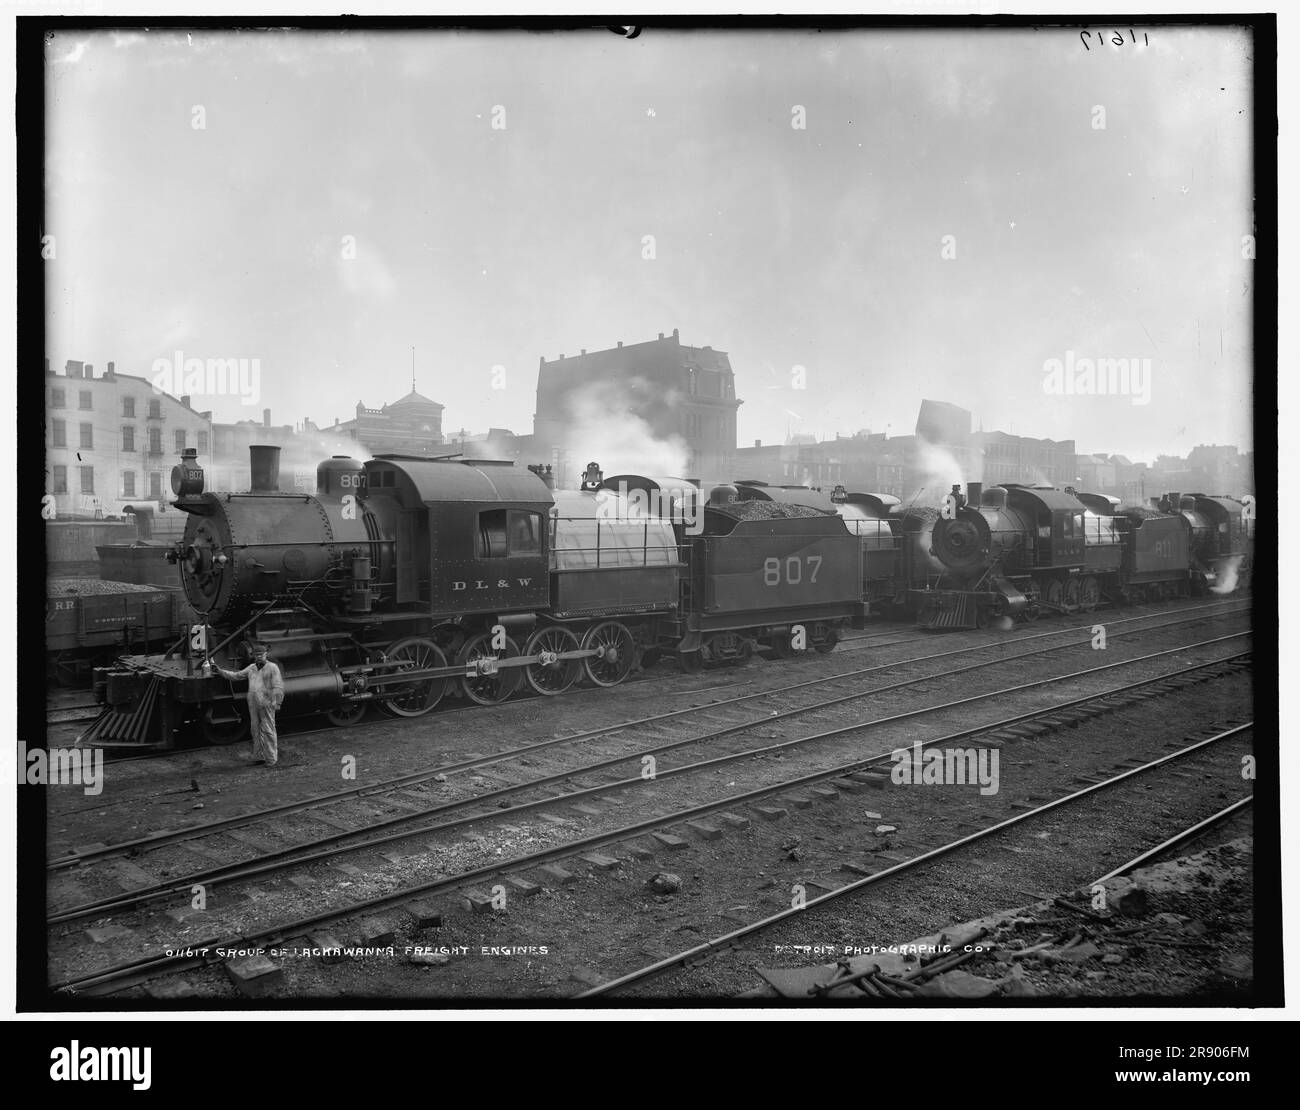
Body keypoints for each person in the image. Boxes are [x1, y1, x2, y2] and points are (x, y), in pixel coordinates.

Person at [213, 643, 285, 766]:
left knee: (268, 729)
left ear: (265, 655)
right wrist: (220, 671)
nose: (258, 657)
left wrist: (277, 702)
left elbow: (278, 686)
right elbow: (236, 676)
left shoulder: (273, 667)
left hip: (267, 702)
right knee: (255, 729)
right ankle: (258, 756)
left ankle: (272, 759)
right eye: (256, 655)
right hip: (253, 702)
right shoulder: (251, 667)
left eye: (261, 655)